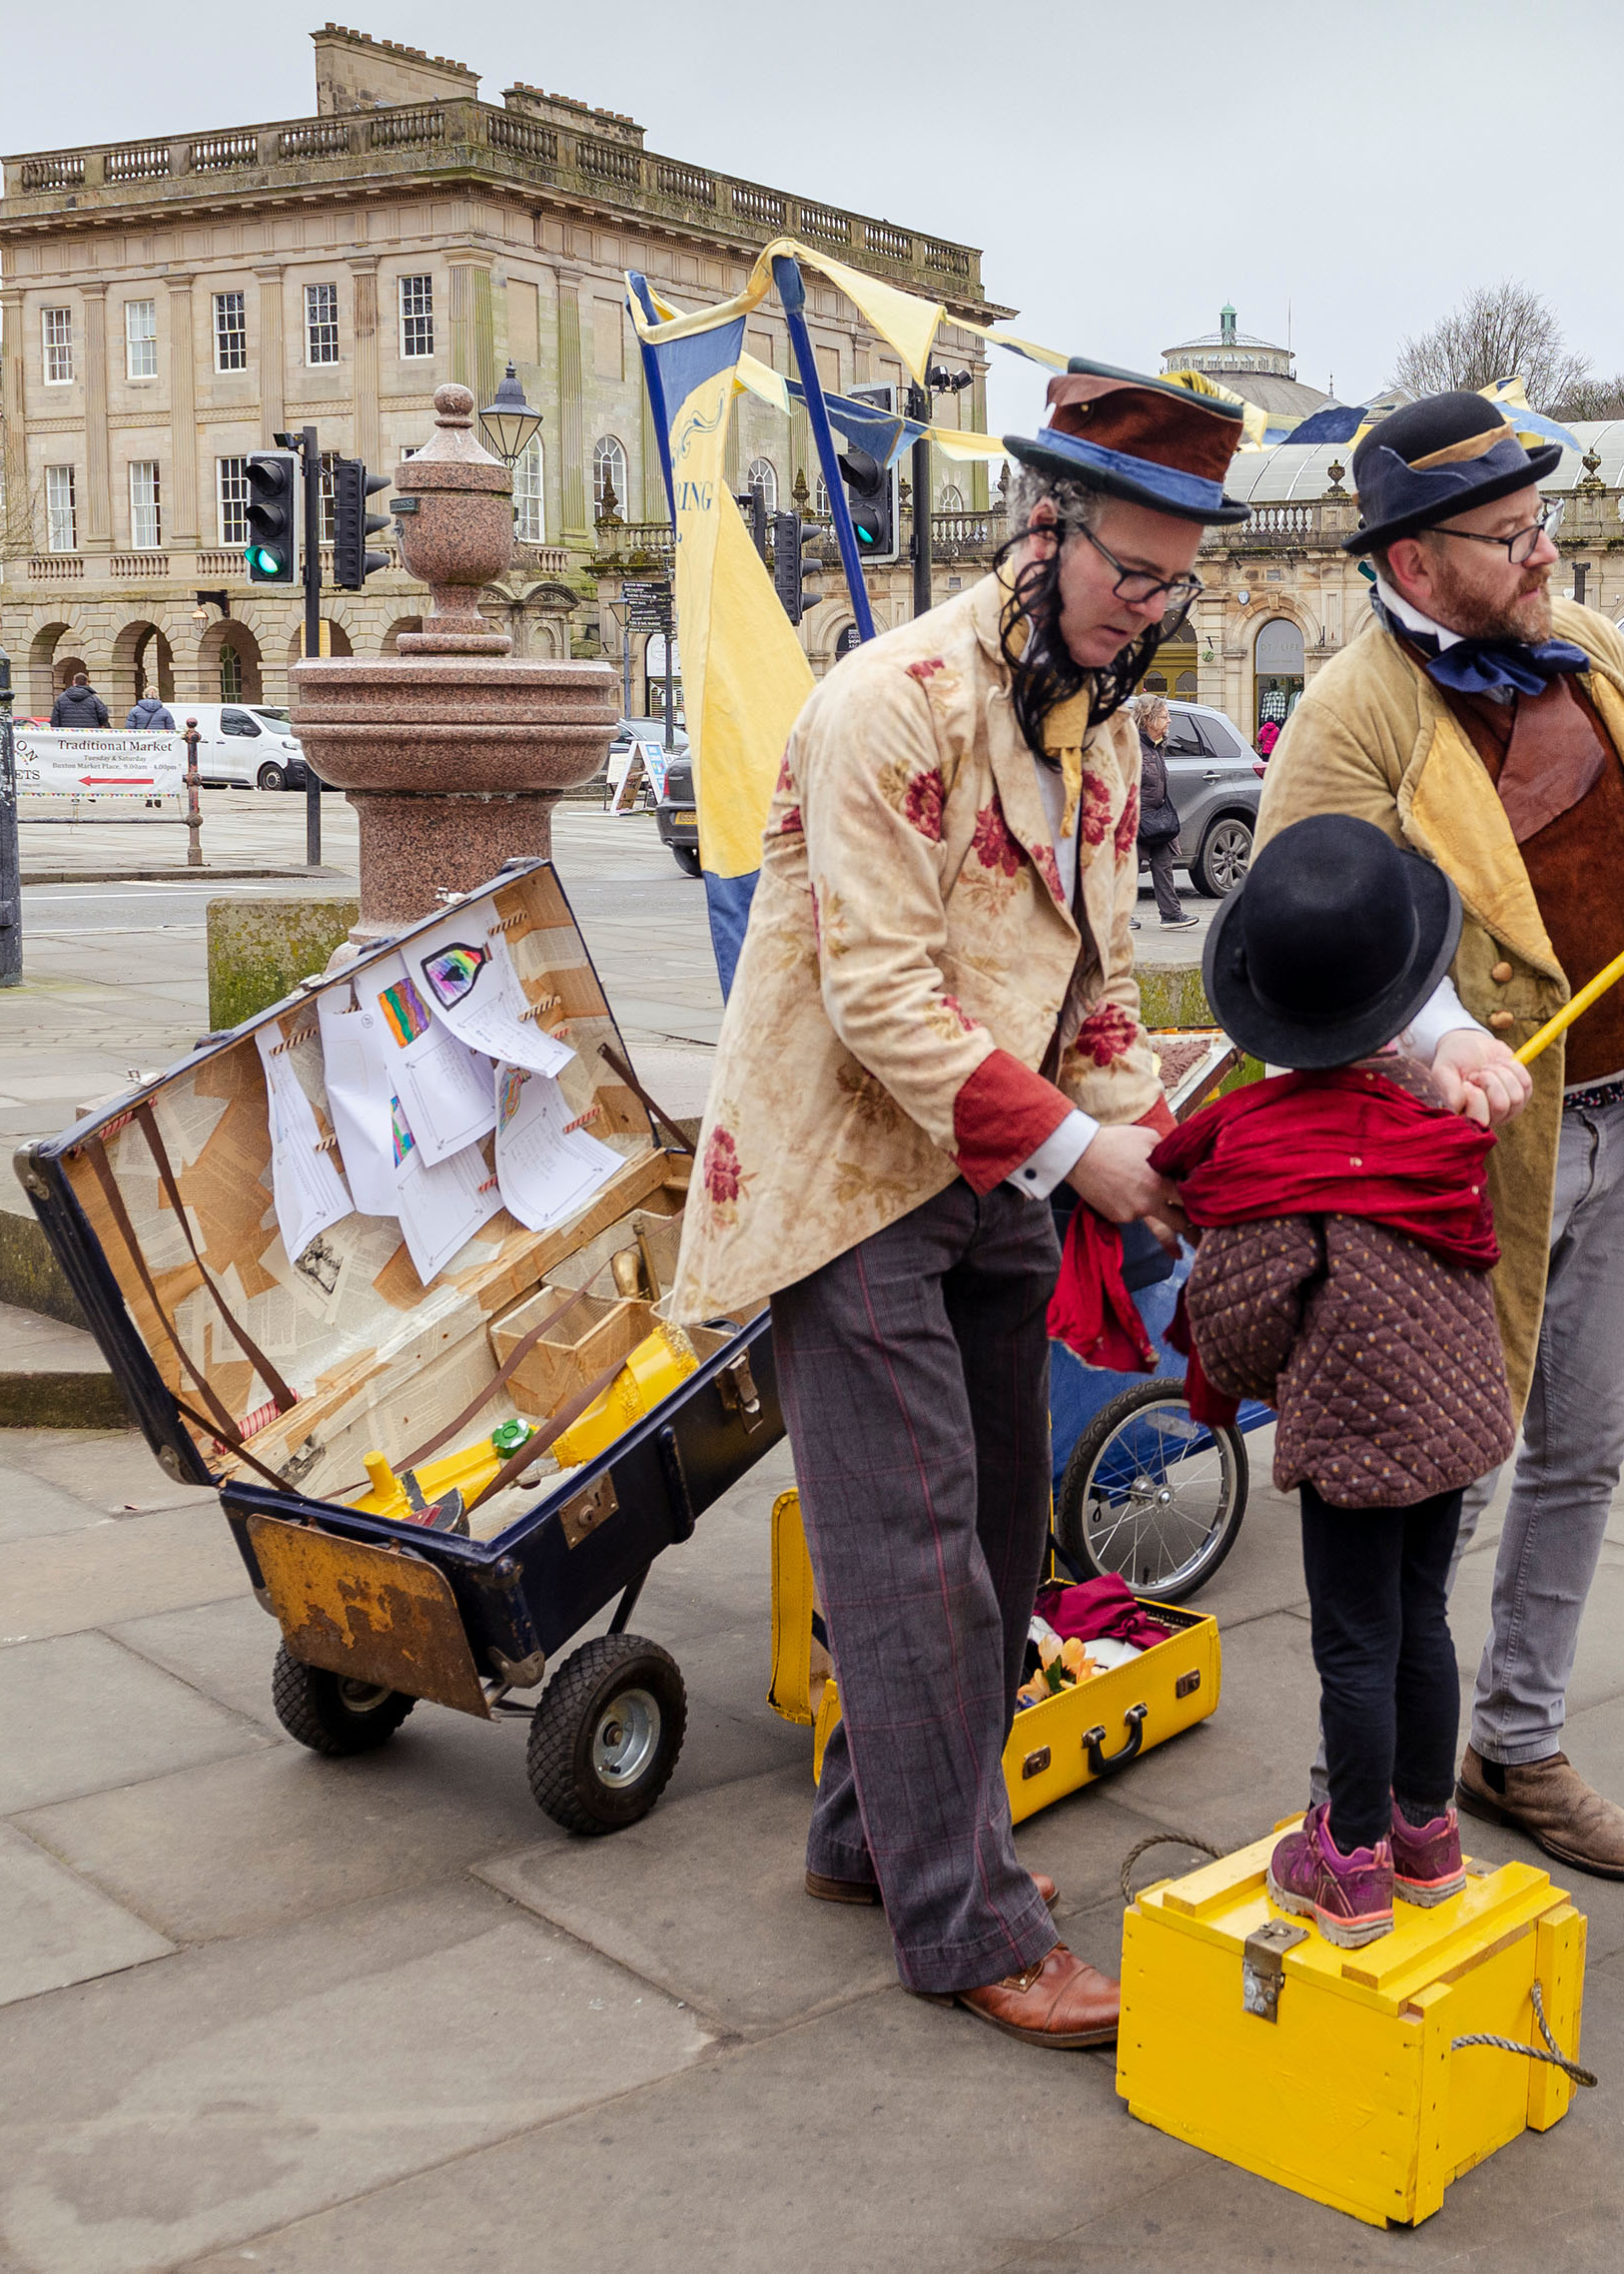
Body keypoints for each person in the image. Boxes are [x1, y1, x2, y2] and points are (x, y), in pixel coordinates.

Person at [664, 360, 1247, 2049]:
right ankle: (968, 1922)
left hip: (986, 1172)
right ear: (1044, 526)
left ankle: (874, 1833)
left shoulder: (1112, 734)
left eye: (1177, 584)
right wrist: (1092, 1156)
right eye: (1130, 572)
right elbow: (881, 999)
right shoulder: (887, 701)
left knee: (999, 1538)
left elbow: (1104, 999)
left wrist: (1167, 1159)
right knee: (920, 1560)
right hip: (840, 1177)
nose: (1151, 610)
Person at [1257, 389, 1624, 1881]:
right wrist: (1437, 1034)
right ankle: (1366, 1785)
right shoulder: (1350, 715)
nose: (1545, 551)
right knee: (1434, 1474)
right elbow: (1288, 949)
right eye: (1510, 534)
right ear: (1411, 563)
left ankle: (1515, 1744)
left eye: (1544, 521)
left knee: (1580, 1452)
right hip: (1455, 1163)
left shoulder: (1588, 644)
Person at [1163, 813, 1515, 1945]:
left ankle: (1350, 1856)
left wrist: (1271, 1371)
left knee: (1354, 1642)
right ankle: (1426, 1837)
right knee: (1423, 1621)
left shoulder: (1277, 1155)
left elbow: (1235, 1326)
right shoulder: (1429, 1117)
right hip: (1454, 1423)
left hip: (1360, 1441)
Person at [1130, 694, 1194, 931]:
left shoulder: (1159, 747)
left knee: (1164, 865)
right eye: (1165, 716)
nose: (1169, 721)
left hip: (1157, 818)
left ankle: (1171, 915)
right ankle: (1119, 916)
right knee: (1129, 868)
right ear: (1148, 718)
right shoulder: (1131, 745)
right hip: (1135, 818)